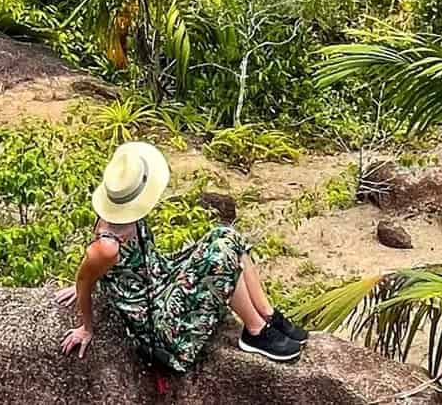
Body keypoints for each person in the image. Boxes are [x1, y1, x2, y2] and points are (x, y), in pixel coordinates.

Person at [56, 141, 309, 368]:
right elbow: (86, 275)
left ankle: (267, 314)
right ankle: (254, 331)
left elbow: (90, 268)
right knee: (219, 258)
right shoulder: (107, 246)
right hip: (156, 316)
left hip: (159, 277)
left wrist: (85, 276)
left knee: (226, 235)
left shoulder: (118, 215)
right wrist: (86, 327)